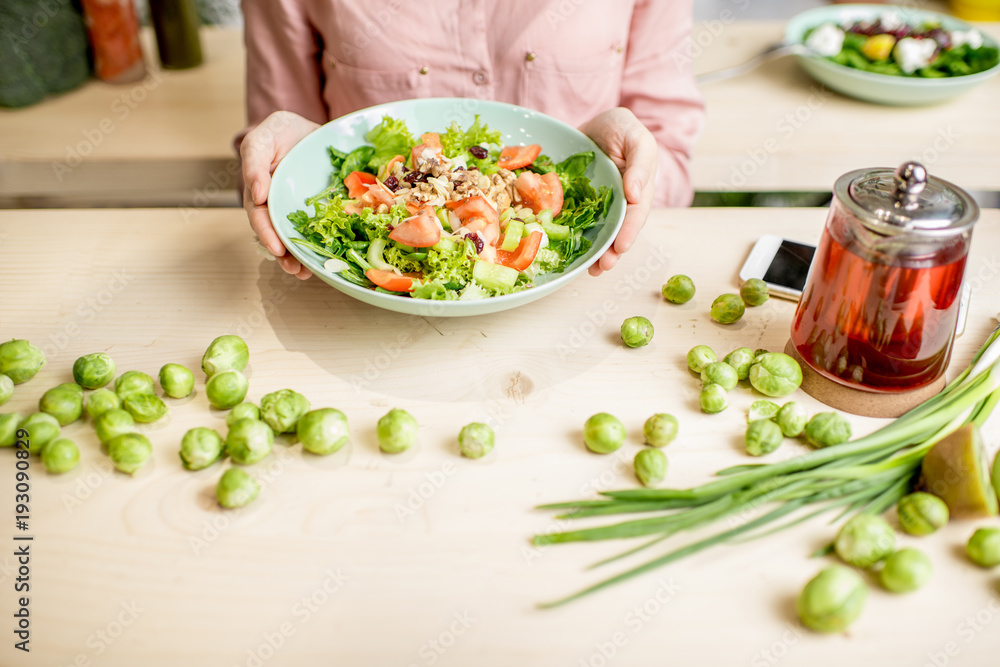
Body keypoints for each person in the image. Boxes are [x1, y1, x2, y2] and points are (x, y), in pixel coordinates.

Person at [239, 0, 704, 280]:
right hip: (350, 315)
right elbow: (279, 135)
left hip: (587, 301)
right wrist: (295, 162)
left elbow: (670, 153)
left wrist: (620, 179)